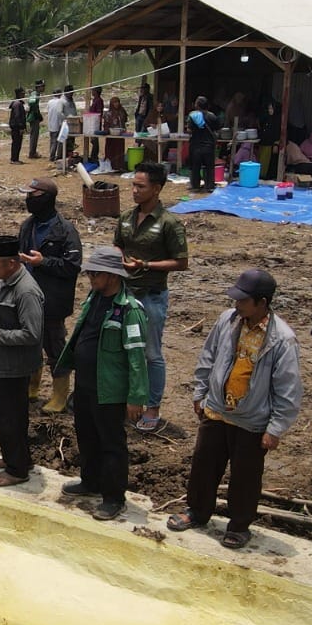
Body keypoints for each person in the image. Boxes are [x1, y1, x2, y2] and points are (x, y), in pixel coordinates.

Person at [168, 269, 302, 549]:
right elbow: (209, 356)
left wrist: (275, 428)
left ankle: (240, 526)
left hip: (251, 421)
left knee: (245, 477)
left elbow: (288, 389)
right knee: (204, 465)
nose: (237, 305)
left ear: (262, 303)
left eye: (243, 301)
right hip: (216, 410)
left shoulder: (281, 340)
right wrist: (200, 392)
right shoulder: (227, 321)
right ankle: (197, 511)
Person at [53, 247, 148, 521]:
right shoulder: (94, 298)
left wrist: (136, 397)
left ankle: (113, 497)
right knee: (87, 435)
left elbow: (137, 357)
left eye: (95, 273)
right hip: (85, 385)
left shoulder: (129, 311)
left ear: (112, 276)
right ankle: (90, 481)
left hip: (110, 391)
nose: (90, 277)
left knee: (111, 443)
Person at [114, 164, 189, 433]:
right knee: (124, 347)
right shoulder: (125, 217)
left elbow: (181, 262)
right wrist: (119, 258)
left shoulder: (169, 223)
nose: (134, 190)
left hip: (152, 296)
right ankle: (128, 400)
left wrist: (145, 265)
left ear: (156, 189)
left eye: (140, 186)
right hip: (125, 294)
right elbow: (118, 245)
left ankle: (153, 407)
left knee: (151, 353)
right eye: (133, 185)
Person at [0, 235, 45, 487]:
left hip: (14, 366)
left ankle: (17, 470)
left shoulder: (25, 290)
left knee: (12, 418)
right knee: (8, 416)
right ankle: (15, 458)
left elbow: (32, 333)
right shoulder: (6, 280)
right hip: (0, 362)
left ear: (12, 263)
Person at [18, 177, 82, 410]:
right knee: (29, 344)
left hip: (54, 301)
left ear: (47, 198)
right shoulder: (28, 226)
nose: (28, 200)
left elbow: (73, 265)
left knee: (55, 347)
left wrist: (44, 262)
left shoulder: (65, 230)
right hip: (28, 299)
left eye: (32, 196)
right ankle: (32, 387)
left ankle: (59, 395)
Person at [186, 96, 217, 193]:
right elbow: (216, 129)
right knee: (209, 167)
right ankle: (209, 186)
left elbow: (189, 130)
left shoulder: (193, 116)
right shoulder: (212, 116)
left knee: (195, 166)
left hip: (195, 145)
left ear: (197, 105)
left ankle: (195, 186)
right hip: (209, 145)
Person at [26, 79, 46, 159]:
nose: (44, 88)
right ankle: (32, 153)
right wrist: (36, 113)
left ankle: (33, 151)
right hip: (33, 117)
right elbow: (31, 103)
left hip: (34, 116)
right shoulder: (35, 94)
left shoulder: (36, 93)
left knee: (35, 135)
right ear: (39, 87)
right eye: (43, 86)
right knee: (34, 135)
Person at [46, 88, 67, 162]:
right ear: (59, 94)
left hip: (51, 123)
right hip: (58, 124)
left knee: (52, 141)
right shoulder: (60, 101)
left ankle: (52, 156)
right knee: (59, 141)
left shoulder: (49, 102)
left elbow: (48, 111)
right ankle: (58, 156)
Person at [7, 86, 27, 163]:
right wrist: (21, 127)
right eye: (23, 93)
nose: (24, 94)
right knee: (16, 143)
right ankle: (14, 159)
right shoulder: (17, 104)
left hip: (15, 126)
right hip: (16, 127)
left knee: (16, 143)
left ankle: (15, 158)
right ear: (19, 94)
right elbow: (17, 116)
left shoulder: (16, 103)